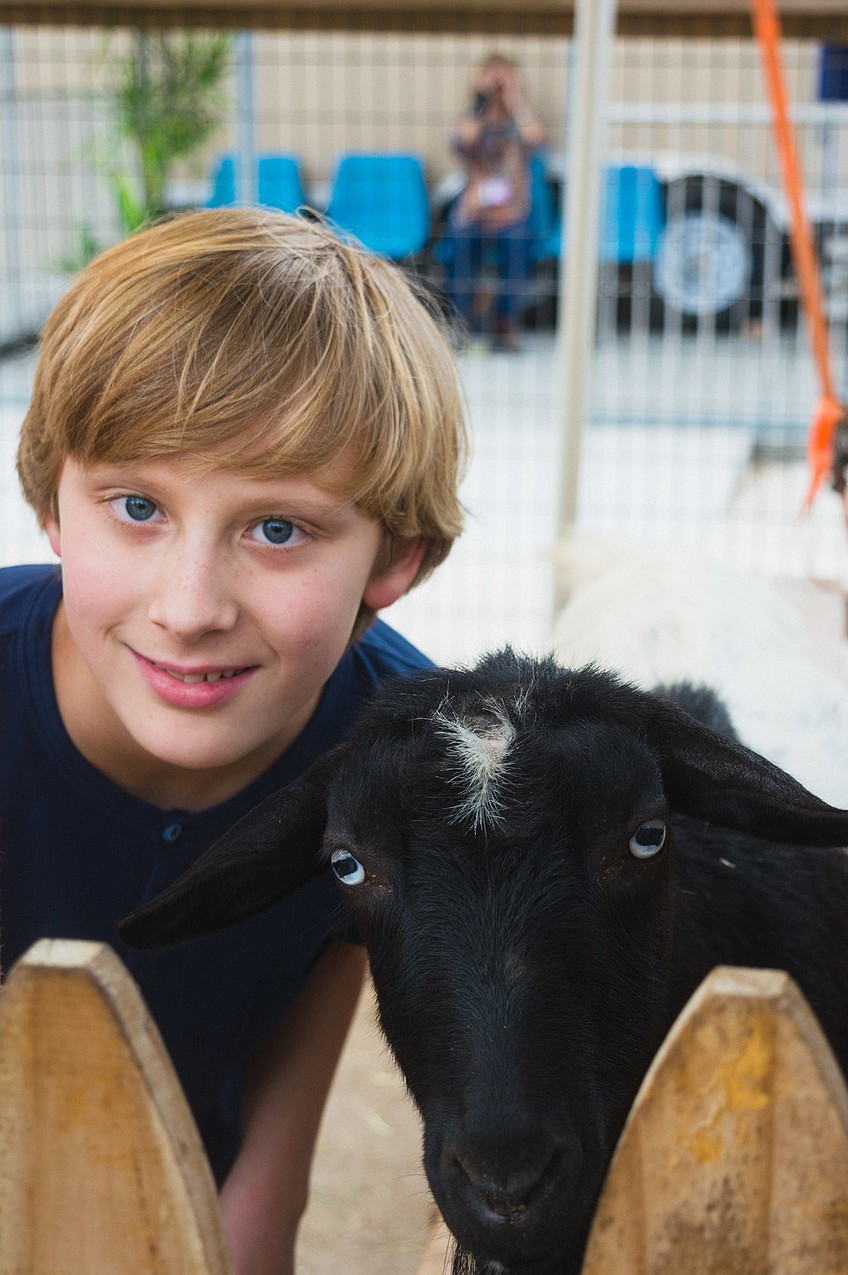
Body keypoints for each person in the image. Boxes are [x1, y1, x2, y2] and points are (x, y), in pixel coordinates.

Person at [3, 207, 467, 1274]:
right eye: (135, 505)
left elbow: (308, 1011)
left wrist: (257, 1230)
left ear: (395, 558)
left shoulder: (398, 763)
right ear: (51, 507)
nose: (190, 606)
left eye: (277, 529)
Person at [442, 53, 545, 351]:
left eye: (504, 76)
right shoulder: (470, 118)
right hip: (474, 210)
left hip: (512, 213)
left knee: (520, 244)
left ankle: (504, 321)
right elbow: (465, 141)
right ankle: (462, 322)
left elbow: (535, 140)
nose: (498, 83)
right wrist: (482, 100)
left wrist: (515, 101)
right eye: (492, 75)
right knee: (459, 242)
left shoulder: (522, 119)